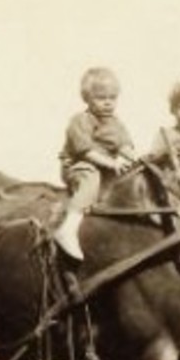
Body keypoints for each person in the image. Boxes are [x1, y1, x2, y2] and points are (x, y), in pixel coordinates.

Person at [52, 67, 136, 260]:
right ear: (87, 98)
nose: (108, 103)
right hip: (77, 166)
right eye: (101, 98)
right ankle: (68, 228)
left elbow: (123, 146)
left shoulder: (116, 123)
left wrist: (136, 159)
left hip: (104, 168)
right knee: (91, 177)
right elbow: (86, 152)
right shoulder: (80, 121)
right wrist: (112, 163)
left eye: (112, 97)